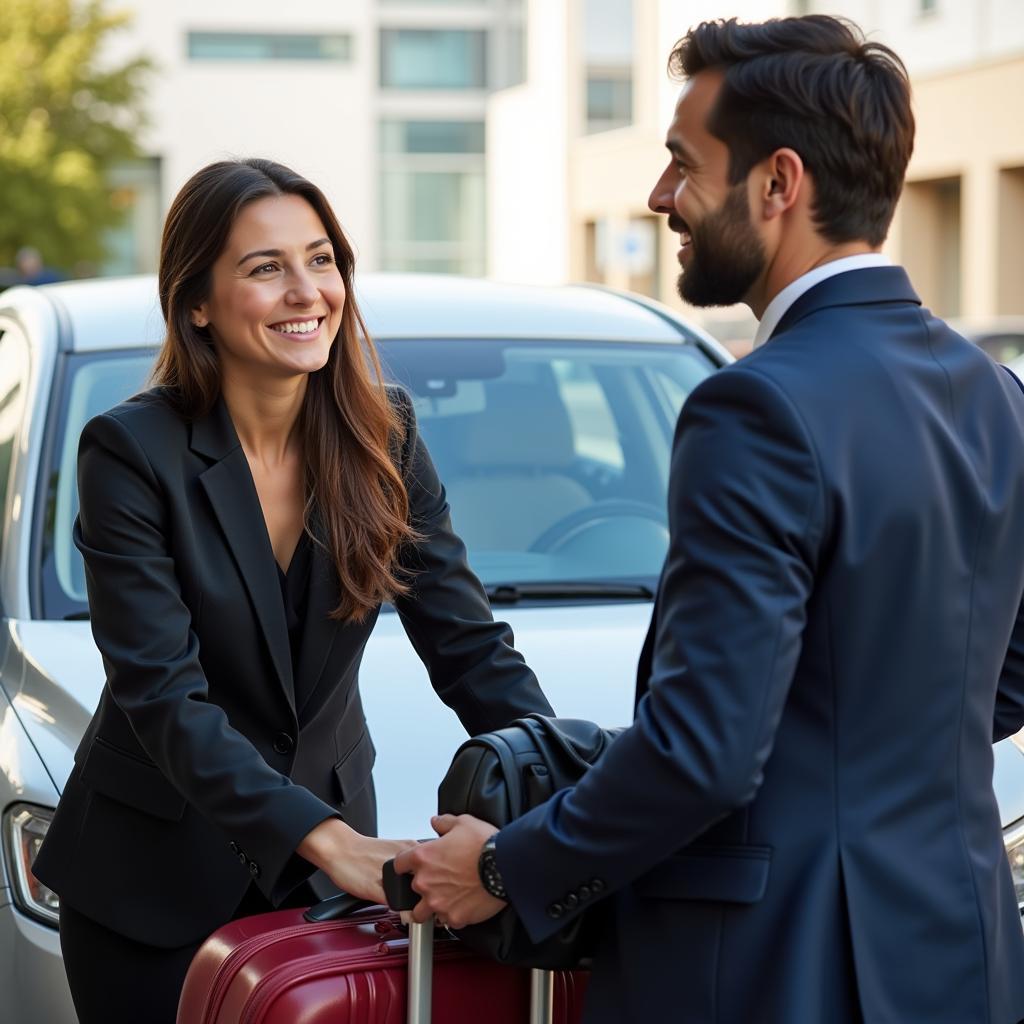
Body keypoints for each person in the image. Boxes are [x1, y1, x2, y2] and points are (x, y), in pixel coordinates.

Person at [396, 15, 1024, 1023]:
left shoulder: (756, 406)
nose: (659, 199)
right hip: (961, 951)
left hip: (775, 968)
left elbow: (706, 750)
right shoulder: (993, 394)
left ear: (778, 185)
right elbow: (1002, 671)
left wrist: (506, 865)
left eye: (682, 165)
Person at [32, 157, 553, 1024]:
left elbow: (466, 643)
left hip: (328, 889)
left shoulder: (385, 431)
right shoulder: (128, 452)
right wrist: (336, 844)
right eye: (265, 267)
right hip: (153, 886)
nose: (306, 291)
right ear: (196, 301)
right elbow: (161, 694)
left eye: (321, 260)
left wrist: (556, 796)